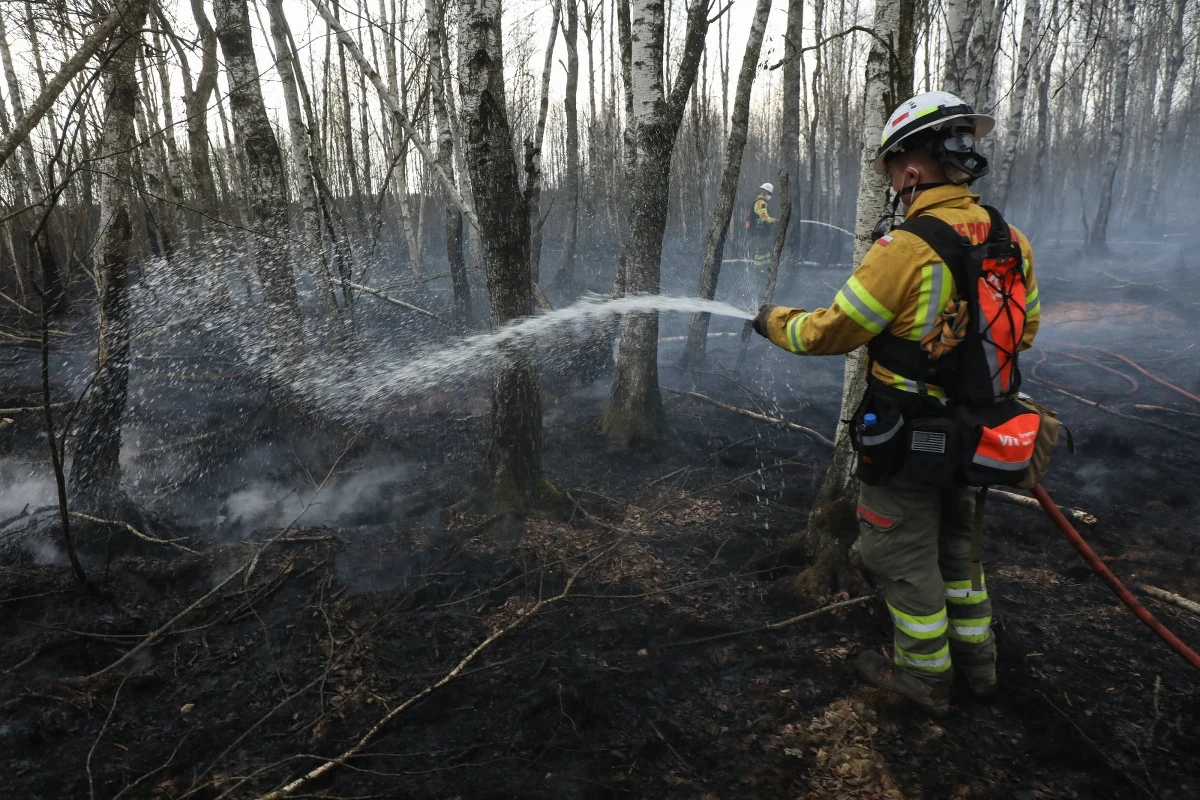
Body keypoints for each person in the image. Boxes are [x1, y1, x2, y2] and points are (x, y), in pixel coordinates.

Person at [751, 91, 1042, 715]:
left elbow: (829, 331)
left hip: (911, 441)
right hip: (981, 432)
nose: (891, 183)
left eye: (889, 172)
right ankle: (980, 664)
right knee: (959, 553)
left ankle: (924, 677)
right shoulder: (1011, 240)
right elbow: (1027, 329)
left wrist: (772, 321)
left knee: (898, 556)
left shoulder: (903, 250)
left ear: (910, 170)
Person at [746, 182, 777, 270]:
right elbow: (764, 217)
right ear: (765, 192)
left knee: (763, 250)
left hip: (759, 229)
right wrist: (774, 220)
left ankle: (764, 267)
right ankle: (760, 269)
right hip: (760, 230)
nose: (769, 196)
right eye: (769, 193)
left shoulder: (758, 201)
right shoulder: (761, 203)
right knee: (761, 250)